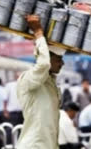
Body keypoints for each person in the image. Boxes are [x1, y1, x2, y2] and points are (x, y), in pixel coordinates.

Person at [16, 15, 65, 149]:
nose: (62, 63)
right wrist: (38, 34)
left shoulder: (51, 84)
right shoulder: (29, 79)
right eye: (59, 59)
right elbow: (43, 64)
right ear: (48, 57)